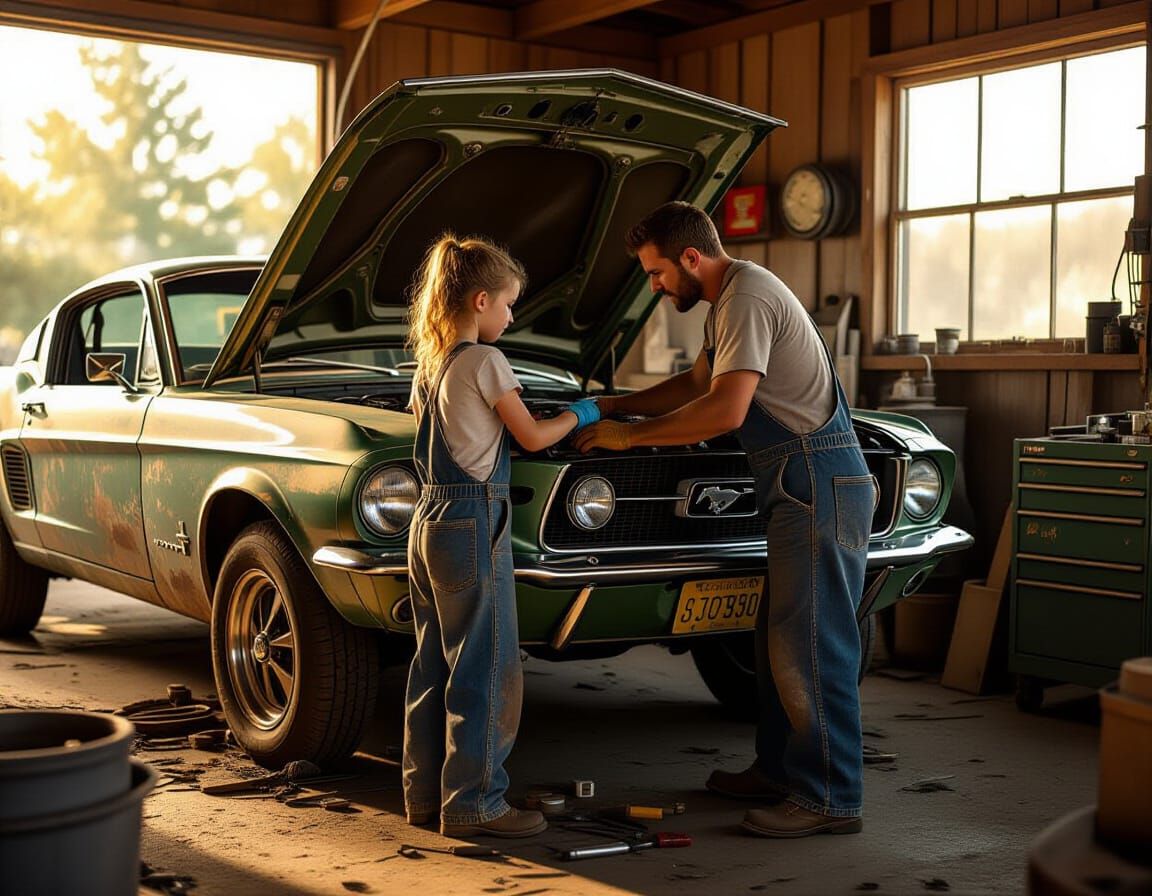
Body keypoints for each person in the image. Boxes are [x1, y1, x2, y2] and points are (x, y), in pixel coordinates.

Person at [573, 202, 876, 838]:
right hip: (798, 482)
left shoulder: (748, 296)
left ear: (691, 258)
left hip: (816, 480)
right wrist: (613, 405)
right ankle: (779, 770)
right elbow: (699, 384)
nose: (653, 287)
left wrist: (627, 441)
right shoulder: (729, 300)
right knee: (780, 640)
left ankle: (830, 797)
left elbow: (725, 412)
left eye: (656, 273)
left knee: (813, 645)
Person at [403, 234, 600, 838]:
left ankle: (423, 797)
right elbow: (534, 438)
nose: (513, 317)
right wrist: (586, 413)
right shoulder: (487, 362)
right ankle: (475, 804)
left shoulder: (430, 366)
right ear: (481, 300)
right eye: (510, 304)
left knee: (433, 664)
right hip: (472, 522)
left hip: (428, 522)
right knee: (486, 667)